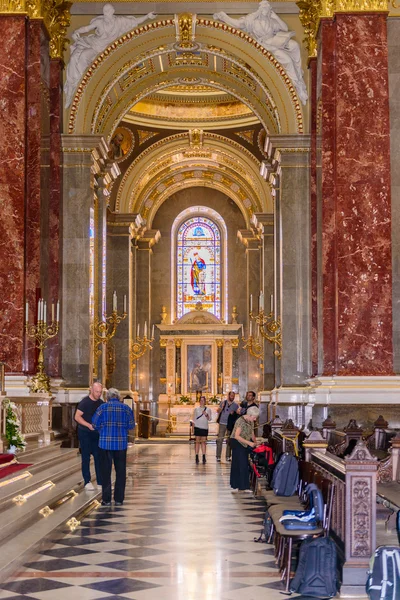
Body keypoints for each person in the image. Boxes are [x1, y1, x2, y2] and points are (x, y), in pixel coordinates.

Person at [213, 0, 308, 105]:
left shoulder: (271, 21)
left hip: (275, 42)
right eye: (263, 8)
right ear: (260, 9)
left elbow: (284, 28)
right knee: (287, 60)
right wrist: (223, 17)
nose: (265, 11)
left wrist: (276, 17)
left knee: (295, 45)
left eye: (267, 9)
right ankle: (296, 86)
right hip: (265, 45)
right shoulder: (252, 20)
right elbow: (237, 24)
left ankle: (298, 76)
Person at [65, 4, 157, 106]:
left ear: (112, 11)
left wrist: (147, 16)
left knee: (82, 56)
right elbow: (86, 28)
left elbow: (135, 21)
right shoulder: (100, 22)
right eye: (104, 12)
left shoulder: (119, 21)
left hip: (103, 49)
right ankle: (77, 84)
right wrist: (76, 32)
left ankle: (82, 84)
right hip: (94, 44)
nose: (106, 14)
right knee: (78, 57)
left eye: (107, 11)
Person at [92, 387, 135, 506]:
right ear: (119, 397)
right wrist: (122, 428)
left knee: (105, 472)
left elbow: (94, 423)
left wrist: (103, 430)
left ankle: (106, 499)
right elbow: (131, 425)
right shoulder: (126, 408)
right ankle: (119, 499)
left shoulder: (102, 408)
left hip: (104, 444)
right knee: (121, 471)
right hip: (120, 444)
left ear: (107, 397)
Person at [75, 381, 104, 491]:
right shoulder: (84, 402)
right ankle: (87, 481)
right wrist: (88, 425)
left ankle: (100, 481)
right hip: (85, 433)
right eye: (96, 392)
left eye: (100, 392)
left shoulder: (101, 403)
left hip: (96, 434)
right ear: (91, 390)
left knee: (98, 457)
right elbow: (77, 417)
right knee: (86, 457)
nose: (98, 394)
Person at [230, 406, 260, 492]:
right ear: (250, 415)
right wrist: (249, 443)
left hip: (244, 442)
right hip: (237, 442)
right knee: (241, 463)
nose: (255, 419)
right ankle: (242, 486)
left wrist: (255, 442)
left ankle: (243, 485)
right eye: (254, 417)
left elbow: (251, 432)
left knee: (244, 463)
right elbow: (236, 436)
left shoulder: (250, 421)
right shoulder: (241, 421)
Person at [216, 391, 239, 462]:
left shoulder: (235, 405)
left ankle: (228, 456)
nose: (232, 397)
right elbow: (218, 411)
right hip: (222, 423)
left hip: (230, 424)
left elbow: (238, 413)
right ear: (228, 396)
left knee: (229, 440)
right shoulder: (223, 402)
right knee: (220, 439)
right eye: (231, 396)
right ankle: (218, 456)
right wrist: (221, 407)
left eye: (233, 396)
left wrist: (234, 412)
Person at [192, 395, 212, 464]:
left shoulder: (208, 409)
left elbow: (209, 419)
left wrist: (206, 414)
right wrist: (193, 428)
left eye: (203, 400)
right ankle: (196, 456)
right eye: (200, 400)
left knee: (203, 442)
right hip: (197, 427)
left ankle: (204, 456)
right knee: (197, 442)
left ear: (205, 401)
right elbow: (194, 419)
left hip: (204, 427)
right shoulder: (196, 409)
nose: (201, 401)